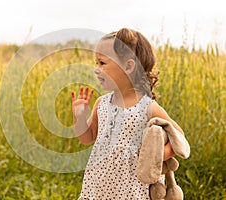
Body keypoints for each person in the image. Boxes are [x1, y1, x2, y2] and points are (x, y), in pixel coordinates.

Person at [71, 28, 184, 199]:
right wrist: (79, 118)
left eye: (102, 63)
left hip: (133, 189)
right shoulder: (101, 104)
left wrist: (157, 156)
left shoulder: (148, 107)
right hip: (99, 186)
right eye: (96, 63)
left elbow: (179, 137)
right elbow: (87, 137)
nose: (96, 69)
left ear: (129, 66)